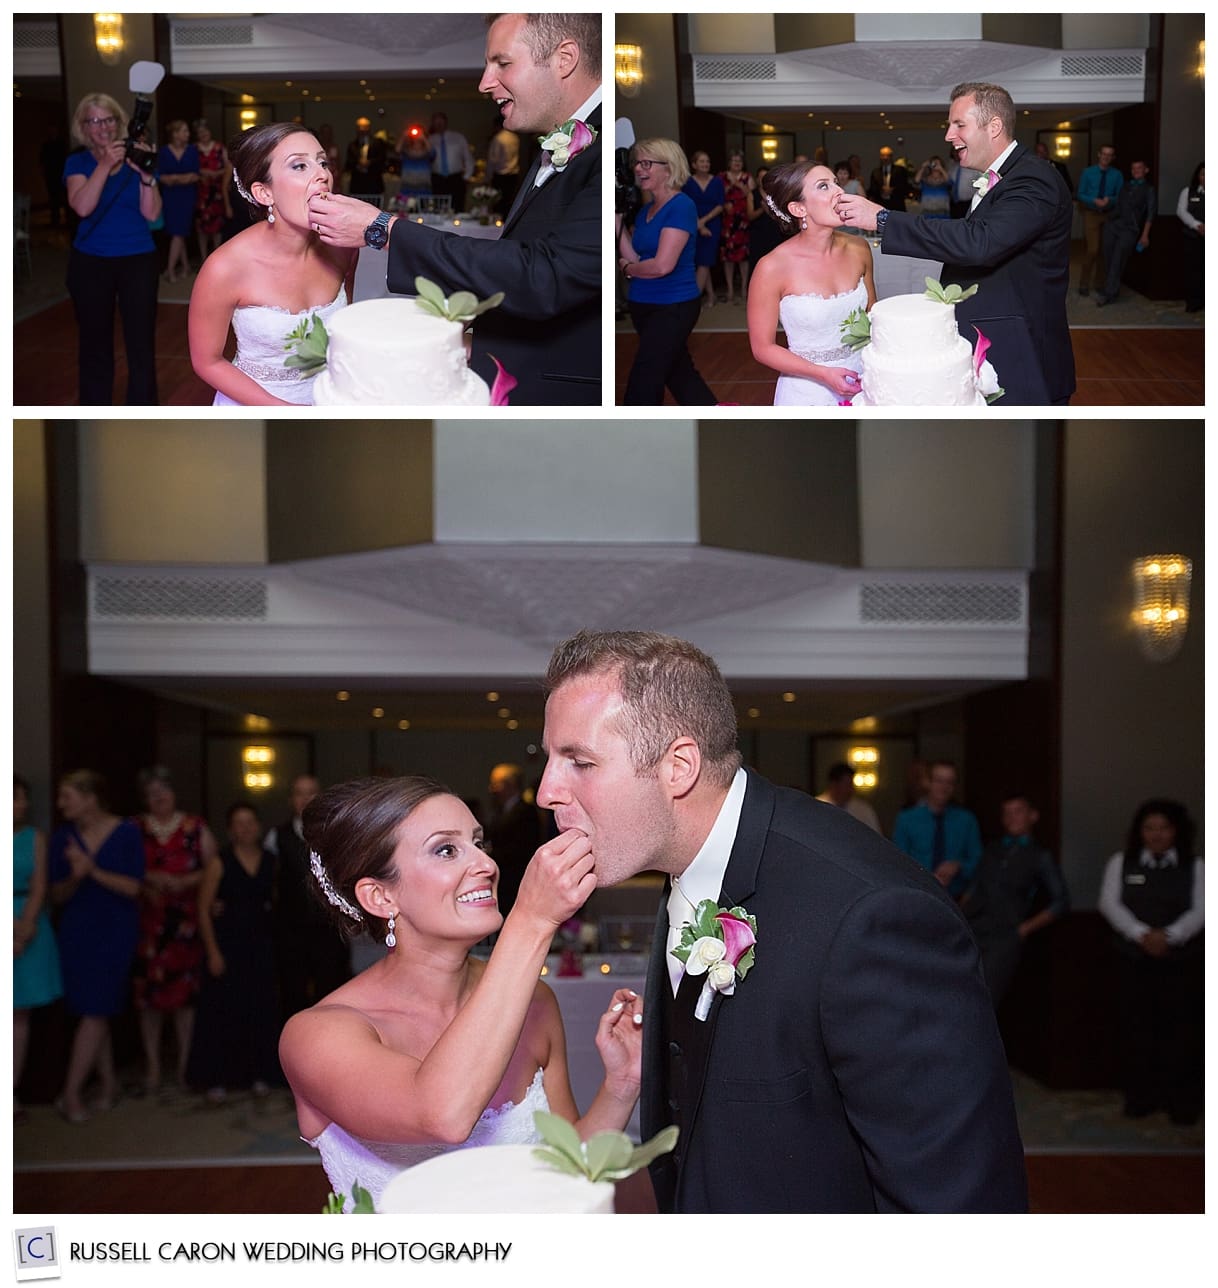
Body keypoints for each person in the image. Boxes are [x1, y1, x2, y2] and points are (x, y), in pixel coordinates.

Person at [535, 630, 1027, 1213]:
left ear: (679, 767)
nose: (545, 792)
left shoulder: (875, 916)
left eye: (580, 762)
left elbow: (959, 1206)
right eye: (548, 759)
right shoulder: (685, 865)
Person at [278, 775, 642, 1211]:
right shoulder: (317, 1035)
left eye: (478, 843)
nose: (486, 865)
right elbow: (442, 1115)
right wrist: (530, 921)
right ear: (380, 896)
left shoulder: (534, 1004)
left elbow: (568, 1171)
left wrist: (623, 1084)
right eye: (447, 850)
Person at [309, 13, 601, 407]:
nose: (484, 82)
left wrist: (383, 228)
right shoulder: (549, 144)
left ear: (565, 59)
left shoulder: (607, 149)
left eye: (502, 62)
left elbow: (544, 275)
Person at [836, 81, 1076, 405]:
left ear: (994, 127)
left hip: (1023, 354)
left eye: (959, 124)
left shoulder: (1033, 179)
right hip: (992, 345)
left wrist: (884, 220)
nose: (949, 135)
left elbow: (979, 243)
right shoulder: (1005, 176)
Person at [188, 122, 357, 405]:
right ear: (264, 193)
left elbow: (343, 332)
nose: (322, 175)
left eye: (322, 162)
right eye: (299, 166)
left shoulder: (342, 247)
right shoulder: (224, 267)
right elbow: (207, 362)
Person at [1098, 799, 1203, 1125]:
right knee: (1136, 1028)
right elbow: (1109, 904)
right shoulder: (1122, 862)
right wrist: (1142, 934)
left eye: (1164, 828)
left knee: (1180, 1030)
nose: (1156, 835)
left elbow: (1202, 909)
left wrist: (1169, 936)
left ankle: (1179, 1101)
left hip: (1180, 962)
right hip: (1133, 959)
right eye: (1150, 828)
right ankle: (1140, 1097)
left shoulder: (1195, 865)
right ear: (1139, 832)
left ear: (1176, 831)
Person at [47, 770, 144, 1123]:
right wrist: (75, 875)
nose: (61, 804)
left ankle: (70, 1094)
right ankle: (108, 1084)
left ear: (90, 798)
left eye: (67, 796)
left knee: (98, 1010)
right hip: (76, 931)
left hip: (114, 930)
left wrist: (91, 870)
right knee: (92, 1010)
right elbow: (55, 894)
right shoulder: (63, 838)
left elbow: (134, 888)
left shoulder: (126, 832)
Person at [747, 161, 875, 406]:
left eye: (836, 183)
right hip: (807, 389)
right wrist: (823, 374)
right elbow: (762, 348)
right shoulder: (772, 267)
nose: (839, 192)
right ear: (798, 208)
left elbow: (872, 313)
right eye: (824, 186)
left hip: (863, 379)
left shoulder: (859, 248)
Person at [63, 91, 162, 405]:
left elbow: (152, 214)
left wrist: (147, 177)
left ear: (120, 122)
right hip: (92, 261)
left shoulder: (137, 155)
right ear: (82, 126)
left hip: (138, 259)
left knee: (141, 342)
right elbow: (82, 207)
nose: (102, 127)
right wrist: (105, 165)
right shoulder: (77, 161)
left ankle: (144, 408)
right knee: (94, 342)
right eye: (93, 121)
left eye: (108, 119)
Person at [186, 802, 282, 1104]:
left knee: (259, 1011)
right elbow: (203, 909)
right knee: (222, 1012)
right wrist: (213, 951)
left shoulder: (270, 860)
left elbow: (276, 901)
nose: (246, 828)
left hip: (260, 945)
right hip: (227, 945)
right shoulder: (220, 861)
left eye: (250, 822)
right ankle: (217, 1078)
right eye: (239, 823)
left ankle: (258, 1075)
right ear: (230, 830)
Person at [131, 766, 214, 1095]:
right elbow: (124, 868)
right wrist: (149, 879)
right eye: (152, 794)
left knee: (185, 1000)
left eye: (163, 792)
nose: (159, 799)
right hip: (149, 923)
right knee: (149, 1001)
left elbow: (212, 868)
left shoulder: (194, 827)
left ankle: (184, 1065)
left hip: (185, 923)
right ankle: (152, 1066)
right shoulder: (134, 828)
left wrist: (184, 881)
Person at [618, 138, 717, 406]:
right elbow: (634, 256)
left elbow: (662, 265)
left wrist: (629, 269)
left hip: (672, 306)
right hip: (643, 305)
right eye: (637, 163)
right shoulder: (645, 211)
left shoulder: (681, 206)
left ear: (669, 167)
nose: (639, 169)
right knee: (679, 373)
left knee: (644, 380)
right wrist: (616, 223)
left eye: (647, 163)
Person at [961, 794, 1069, 1006]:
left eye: (1018, 811)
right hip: (972, 929)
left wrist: (1024, 930)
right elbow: (974, 887)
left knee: (985, 1001)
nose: (1011, 818)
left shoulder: (1040, 856)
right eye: (1006, 813)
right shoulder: (992, 849)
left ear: (1032, 816)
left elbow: (1061, 901)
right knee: (959, 992)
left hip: (1004, 937)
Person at [265, 774, 350, 1020]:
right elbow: (267, 881)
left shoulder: (335, 834)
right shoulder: (276, 837)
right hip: (290, 930)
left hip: (329, 927)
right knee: (293, 992)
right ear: (291, 799)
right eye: (299, 792)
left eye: (311, 792)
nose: (305, 798)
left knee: (331, 990)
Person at [14, 775, 64, 1118]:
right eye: (13, 798)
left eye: (22, 798)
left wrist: (25, 926)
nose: (20, 805)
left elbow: (39, 885)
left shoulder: (34, 838)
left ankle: (11, 1093)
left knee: (20, 1014)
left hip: (28, 925)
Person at [890, 760, 982, 898]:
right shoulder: (906, 819)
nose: (944, 787)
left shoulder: (967, 820)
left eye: (949, 782)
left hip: (957, 897)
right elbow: (897, 861)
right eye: (939, 781)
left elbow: (978, 860)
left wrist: (958, 866)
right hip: (917, 894)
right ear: (928, 782)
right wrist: (926, 876)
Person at [484, 763, 542, 918]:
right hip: (503, 884)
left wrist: (491, 854)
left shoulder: (526, 812)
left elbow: (521, 849)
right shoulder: (500, 812)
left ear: (510, 785)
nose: (492, 789)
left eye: (496, 784)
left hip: (516, 883)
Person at [1096, 159, 1155, 306]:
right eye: (1133, 168)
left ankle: (1108, 293)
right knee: (1108, 257)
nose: (1135, 171)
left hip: (1130, 229)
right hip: (1113, 225)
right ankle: (1111, 289)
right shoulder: (1126, 186)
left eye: (1139, 168)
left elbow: (1150, 214)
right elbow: (1118, 205)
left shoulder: (1149, 189)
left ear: (1146, 170)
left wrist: (1145, 235)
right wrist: (1107, 221)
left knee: (1118, 259)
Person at [157, 120, 200, 282]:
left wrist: (175, 178)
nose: (187, 134)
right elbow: (162, 177)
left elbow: (195, 175)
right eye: (184, 131)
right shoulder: (164, 152)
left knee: (179, 232)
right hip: (170, 196)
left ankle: (170, 270)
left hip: (187, 196)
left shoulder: (192, 150)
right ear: (175, 134)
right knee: (177, 232)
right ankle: (186, 266)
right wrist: (181, 178)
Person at [1076, 144, 1121, 297]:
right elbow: (1080, 193)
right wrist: (1093, 200)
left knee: (1104, 251)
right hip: (1091, 214)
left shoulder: (1117, 175)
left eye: (1110, 155)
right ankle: (1083, 283)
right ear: (1099, 154)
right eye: (1104, 154)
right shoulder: (1088, 173)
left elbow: (1121, 196)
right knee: (1092, 249)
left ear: (1113, 157)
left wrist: (1111, 200)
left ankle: (1099, 283)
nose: (1106, 157)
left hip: (1109, 215)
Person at [682, 151, 725, 309]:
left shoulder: (717, 181)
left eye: (707, 161)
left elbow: (720, 205)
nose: (705, 164)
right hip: (692, 224)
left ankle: (694, 299)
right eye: (701, 161)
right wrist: (698, 225)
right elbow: (685, 205)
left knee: (705, 261)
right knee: (700, 261)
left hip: (712, 224)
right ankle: (711, 295)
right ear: (694, 164)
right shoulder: (687, 182)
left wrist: (704, 222)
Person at [192, 119, 231, 264]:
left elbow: (228, 167)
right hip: (201, 191)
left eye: (205, 132)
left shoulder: (219, 147)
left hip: (217, 190)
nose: (203, 135)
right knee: (201, 227)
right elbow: (190, 167)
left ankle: (216, 257)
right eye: (200, 133)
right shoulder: (194, 149)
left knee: (217, 225)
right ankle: (203, 258)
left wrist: (217, 173)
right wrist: (203, 171)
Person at [719, 151, 755, 305]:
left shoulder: (747, 177)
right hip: (728, 220)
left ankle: (744, 289)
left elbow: (752, 195)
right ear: (729, 163)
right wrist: (729, 188)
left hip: (743, 220)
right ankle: (730, 289)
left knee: (743, 256)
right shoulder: (721, 177)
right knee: (728, 256)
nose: (736, 163)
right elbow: (716, 196)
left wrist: (740, 185)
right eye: (734, 160)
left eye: (739, 161)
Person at [815, 762, 881, 833]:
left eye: (851, 784)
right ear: (834, 784)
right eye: (847, 784)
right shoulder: (817, 807)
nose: (851, 789)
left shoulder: (863, 809)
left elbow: (875, 835)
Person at [428, 111, 475, 208]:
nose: (439, 125)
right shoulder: (430, 139)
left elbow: (468, 158)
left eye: (441, 122)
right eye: (436, 123)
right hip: (437, 179)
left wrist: (466, 177)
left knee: (457, 207)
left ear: (446, 122)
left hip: (456, 179)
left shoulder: (458, 137)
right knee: (438, 208)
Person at [1177, 161, 1204, 312]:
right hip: (1193, 237)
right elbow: (1181, 211)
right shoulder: (1188, 191)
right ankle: (1194, 302)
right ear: (1198, 176)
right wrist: (1196, 225)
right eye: (1203, 174)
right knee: (1194, 270)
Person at [345, 116, 387, 199]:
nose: (361, 129)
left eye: (364, 127)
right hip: (357, 185)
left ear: (369, 128)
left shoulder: (378, 143)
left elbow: (382, 159)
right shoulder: (352, 145)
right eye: (359, 127)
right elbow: (348, 163)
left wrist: (369, 163)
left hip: (374, 184)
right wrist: (358, 164)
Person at [485, 119, 521, 213]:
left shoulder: (498, 138)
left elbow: (493, 159)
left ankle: (496, 224)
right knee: (509, 201)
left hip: (500, 175)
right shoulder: (515, 137)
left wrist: (488, 176)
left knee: (497, 202)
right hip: (513, 174)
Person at [867, 145, 909, 211]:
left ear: (891, 157)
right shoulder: (875, 172)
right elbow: (872, 189)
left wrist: (892, 190)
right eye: (883, 155)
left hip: (897, 205)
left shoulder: (900, 170)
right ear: (880, 157)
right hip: (880, 205)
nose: (885, 158)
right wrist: (881, 190)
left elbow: (905, 186)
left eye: (888, 155)